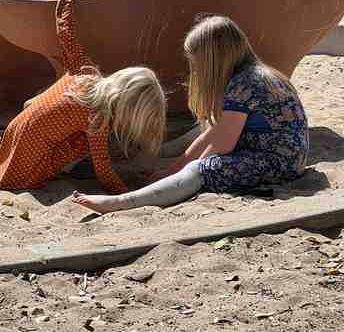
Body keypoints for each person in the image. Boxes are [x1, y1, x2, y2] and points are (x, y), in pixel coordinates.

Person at [72, 15, 308, 213]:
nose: (195, 69)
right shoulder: (253, 74)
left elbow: (222, 145)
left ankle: (122, 202)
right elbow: (212, 134)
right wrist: (171, 171)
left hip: (278, 164)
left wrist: (186, 171)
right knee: (207, 128)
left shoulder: (243, 85)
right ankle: (166, 167)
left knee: (200, 170)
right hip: (284, 157)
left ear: (214, 60)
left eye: (198, 63)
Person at [0, 0, 166, 194]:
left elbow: (66, 34)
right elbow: (104, 170)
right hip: (28, 171)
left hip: (13, 138)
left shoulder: (85, 72)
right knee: (84, 144)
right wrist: (126, 194)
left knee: (76, 130)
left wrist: (66, 0)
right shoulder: (97, 119)